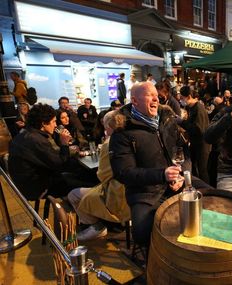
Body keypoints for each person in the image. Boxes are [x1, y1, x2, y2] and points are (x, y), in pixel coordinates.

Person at [109, 82, 189, 251]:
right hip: (145, 193)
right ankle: (155, 266)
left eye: (156, 95)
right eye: (149, 95)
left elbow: (185, 154)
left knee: (209, 198)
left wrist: (181, 175)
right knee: (142, 232)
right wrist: (162, 175)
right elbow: (123, 173)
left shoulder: (167, 120)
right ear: (135, 101)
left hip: (176, 181)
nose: (156, 98)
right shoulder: (122, 131)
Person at [67, 110, 130, 241]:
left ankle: (97, 227)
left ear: (108, 126)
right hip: (134, 191)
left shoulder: (110, 143)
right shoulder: (131, 136)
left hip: (117, 194)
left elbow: (102, 175)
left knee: (73, 194)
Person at [8, 103, 74, 201]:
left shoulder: (26, 134)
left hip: (25, 185)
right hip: (38, 188)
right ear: (43, 123)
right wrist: (64, 143)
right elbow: (61, 165)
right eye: (54, 121)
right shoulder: (36, 140)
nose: (56, 125)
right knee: (85, 183)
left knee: (74, 176)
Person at [179, 85, 211, 183]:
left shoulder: (198, 108)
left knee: (203, 170)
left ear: (188, 97)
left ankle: (207, 192)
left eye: (182, 98)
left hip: (202, 145)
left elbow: (198, 129)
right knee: (195, 167)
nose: (180, 100)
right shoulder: (191, 107)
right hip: (195, 143)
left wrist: (181, 122)